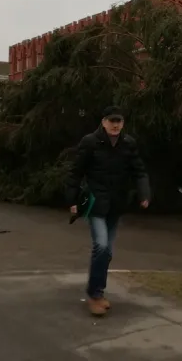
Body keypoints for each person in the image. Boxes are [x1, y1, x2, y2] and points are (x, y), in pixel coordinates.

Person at [66, 106, 150, 317]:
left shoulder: (128, 144)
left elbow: (139, 171)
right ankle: (94, 295)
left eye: (119, 121)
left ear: (122, 123)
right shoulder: (90, 142)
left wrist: (144, 194)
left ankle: (98, 293)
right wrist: (72, 200)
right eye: (111, 121)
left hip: (116, 204)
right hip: (95, 203)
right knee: (101, 246)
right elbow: (75, 173)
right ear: (103, 122)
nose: (115, 125)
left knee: (108, 252)